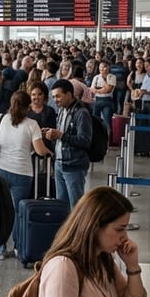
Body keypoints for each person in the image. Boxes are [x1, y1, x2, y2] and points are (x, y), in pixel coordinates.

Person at [0, 91, 51, 258]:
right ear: (28, 107)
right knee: (18, 212)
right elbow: (40, 151)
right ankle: (18, 246)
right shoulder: (32, 124)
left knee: (1, 210)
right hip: (22, 172)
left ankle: (0, 248)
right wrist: (48, 151)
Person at [44, 79, 93, 210]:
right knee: (62, 206)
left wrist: (61, 136)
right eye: (53, 97)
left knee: (76, 207)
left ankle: (77, 231)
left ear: (69, 94)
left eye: (58, 96)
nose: (55, 100)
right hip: (60, 164)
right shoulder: (61, 111)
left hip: (74, 165)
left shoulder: (81, 113)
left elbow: (85, 141)